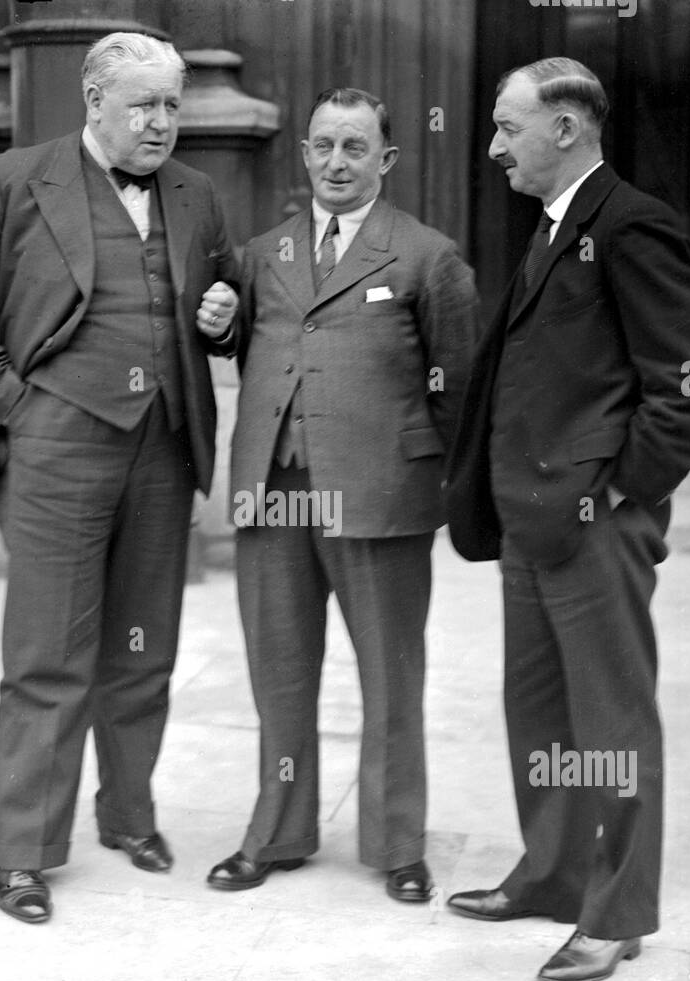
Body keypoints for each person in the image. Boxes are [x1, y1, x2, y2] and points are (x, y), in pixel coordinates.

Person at [0, 32, 240, 924]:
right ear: (94, 100)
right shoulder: (13, 181)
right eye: (143, 104)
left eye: (174, 105)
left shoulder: (197, 193)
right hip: (59, 442)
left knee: (145, 648)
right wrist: (24, 412)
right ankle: (24, 852)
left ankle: (129, 815)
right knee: (47, 656)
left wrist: (223, 318)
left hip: (164, 443)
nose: (161, 122)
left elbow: (216, 313)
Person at [444, 58, 690, 981]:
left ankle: (616, 913)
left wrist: (618, 490)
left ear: (565, 129)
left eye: (507, 128)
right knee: (539, 714)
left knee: (611, 724)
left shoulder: (632, 223)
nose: (492, 147)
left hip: (593, 521)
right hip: (531, 518)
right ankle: (555, 874)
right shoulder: (557, 224)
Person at [206, 88, 478, 902]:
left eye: (354, 148)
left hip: (379, 493)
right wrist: (216, 319)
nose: (335, 163)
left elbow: (458, 384)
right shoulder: (264, 253)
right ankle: (278, 832)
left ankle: (398, 845)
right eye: (322, 145)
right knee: (279, 670)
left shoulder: (428, 257)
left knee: (391, 676)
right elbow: (235, 339)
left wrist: (413, 465)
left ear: (385, 161)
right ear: (303, 154)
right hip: (277, 489)